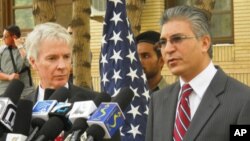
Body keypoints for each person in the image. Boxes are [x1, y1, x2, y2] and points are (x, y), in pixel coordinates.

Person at [146, 5, 250, 141]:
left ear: (204, 43)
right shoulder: (158, 100)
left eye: (177, 39)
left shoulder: (243, 100)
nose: (168, 49)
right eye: (163, 42)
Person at [24, 22, 120, 141]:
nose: (62, 66)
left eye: (66, 57)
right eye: (52, 58)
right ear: (33, 62)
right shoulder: (19, 108)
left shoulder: (99, 106)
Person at [0, 25, 35, 97]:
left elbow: (29, 63)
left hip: (26, 91)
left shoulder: (27, 49)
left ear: (14, 37)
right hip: (4, 90)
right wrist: (8, 77)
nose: (3, 39)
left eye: (5, 36)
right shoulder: (1, 51)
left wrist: (20, 46)